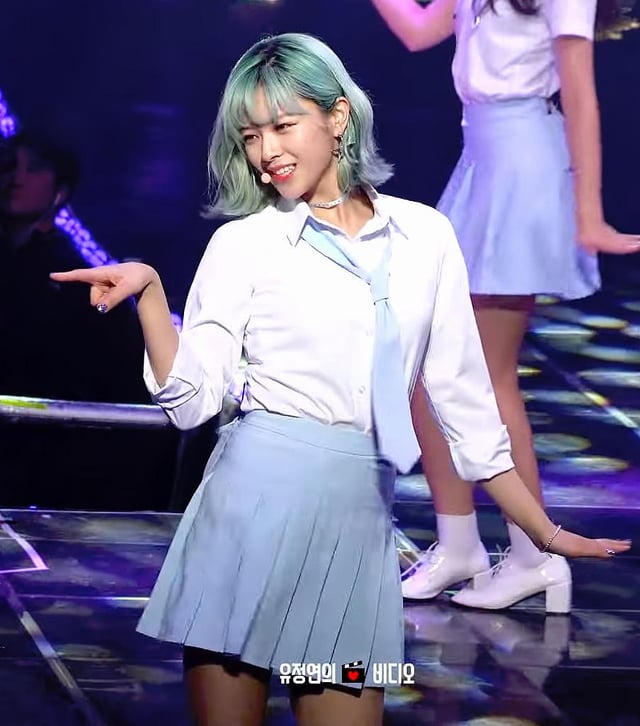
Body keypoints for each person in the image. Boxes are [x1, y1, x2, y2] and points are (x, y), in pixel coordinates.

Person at [51, 33, 629, 726]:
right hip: (244, 528)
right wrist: (150, 295)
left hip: (356, 539)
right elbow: (192, 403)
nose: (266, 151)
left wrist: (542, 534)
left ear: (338, 116)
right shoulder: (244, 243)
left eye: (282, 126)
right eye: (250, 136)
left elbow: (468, 410)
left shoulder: (427, 237)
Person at [370, 0, 640, 611]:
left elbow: (580, 92)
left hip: (523, 166)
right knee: (426, 369)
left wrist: (589, 212)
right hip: (483, 160)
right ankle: (460, 544)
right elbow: (418, 30)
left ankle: (533, 557)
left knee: (485, 377)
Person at [0, 130, 149, 404]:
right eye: (9, 165)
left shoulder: (80, 282)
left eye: (34, 168)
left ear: (60, 191)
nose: (16, 178)